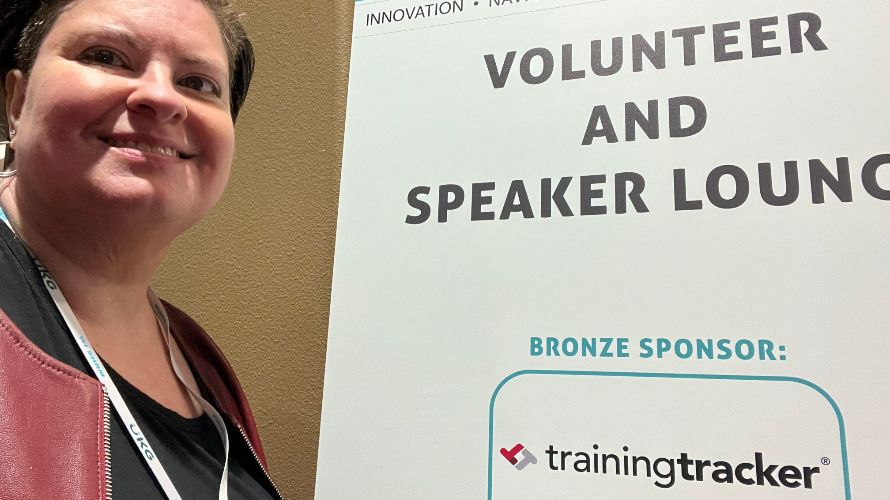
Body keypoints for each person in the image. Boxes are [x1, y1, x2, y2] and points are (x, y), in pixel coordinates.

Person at [0, 0, 280, 497]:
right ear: (17, 102)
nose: (161, 97)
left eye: (197, 83)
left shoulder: (202, 362)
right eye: (105, 56)